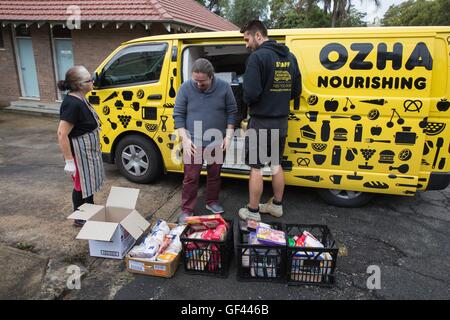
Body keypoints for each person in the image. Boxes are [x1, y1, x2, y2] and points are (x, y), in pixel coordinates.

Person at [238, 20, 301, 221]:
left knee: (256, 167)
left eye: (247, 39)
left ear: (258, 35)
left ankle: (253, 211)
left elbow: (251, 93)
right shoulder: (290, 57)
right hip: (281, 121)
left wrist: (251, 102)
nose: (246, 44)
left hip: (262, 121)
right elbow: (296, 91)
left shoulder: (257, 58)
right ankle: (276, 206)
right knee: (275, 163)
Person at [173, 58, 237, 223]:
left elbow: (232, 112)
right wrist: (185, 140)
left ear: (211, 76)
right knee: (191, 177)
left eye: (202, 81)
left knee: (214, 175)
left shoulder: (224, 87)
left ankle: (212, 202)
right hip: (193, 142)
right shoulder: (186, 88)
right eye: (196, 80)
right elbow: (178, 115)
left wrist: (228, 137)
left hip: (217, 140)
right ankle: (187, 210)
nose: (199, 85)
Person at [57, 66, 105, 227]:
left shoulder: (81, 97)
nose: (92, 81)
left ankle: (89, 209)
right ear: (79, 85)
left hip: (88, 150)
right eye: (89, 80)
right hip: (78, 152)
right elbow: (62, 134)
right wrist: (69, 161)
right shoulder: (72, 104)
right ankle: (79, 217)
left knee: (89, 183)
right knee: (80, 185)